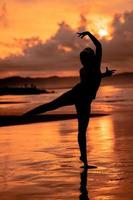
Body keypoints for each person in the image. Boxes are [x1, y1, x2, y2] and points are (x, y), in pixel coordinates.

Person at [23, 31, 115, 168]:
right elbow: (99, 48)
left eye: (85, 58)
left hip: (80, 96)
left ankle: (84, 160)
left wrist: (104, 75)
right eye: (83, 59)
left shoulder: (87, 69)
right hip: (81, 97)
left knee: (57, 110)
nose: (84, 61)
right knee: (60, 113)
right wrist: (89, 34)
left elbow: (93, 78)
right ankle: (85, 161)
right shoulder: (90, 68)